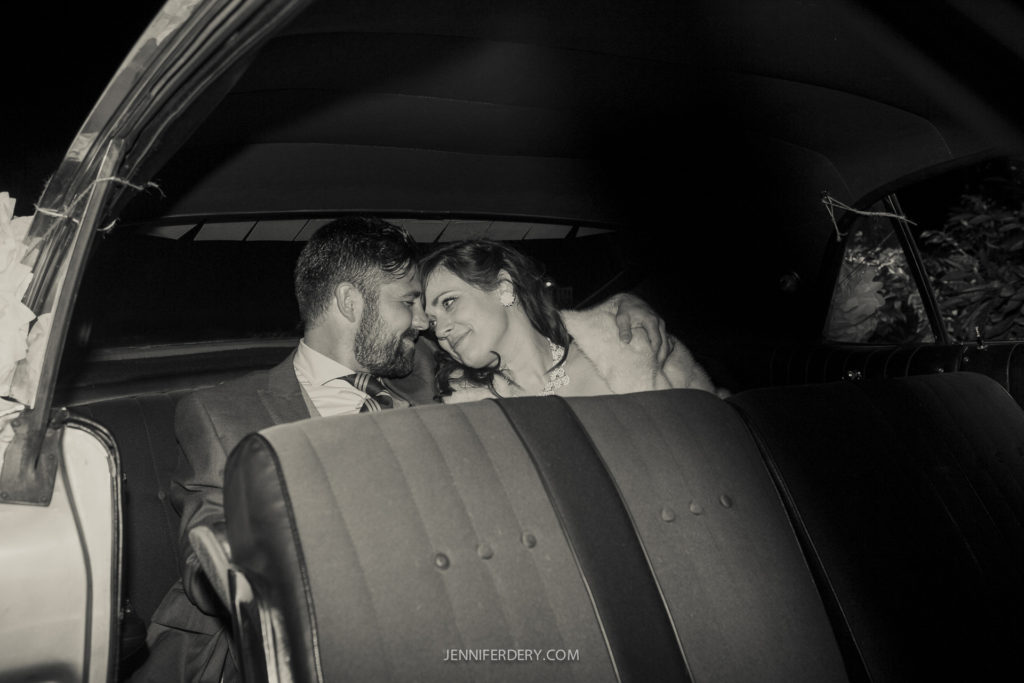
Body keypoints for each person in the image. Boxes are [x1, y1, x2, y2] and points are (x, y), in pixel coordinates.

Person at [131, 217, 671, 682]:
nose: (423, 322)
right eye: (409, 302)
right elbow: (208, 558)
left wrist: (626, 306)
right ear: (348, 302)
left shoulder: (426, 373)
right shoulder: (223, 412)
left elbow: (520, 336)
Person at [420, 239, 726, 402]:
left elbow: (716, 435)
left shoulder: (627, 344)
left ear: (503, 287)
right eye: (431, 322)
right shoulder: (471, 412)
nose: (442, 330)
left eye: (449, 302)